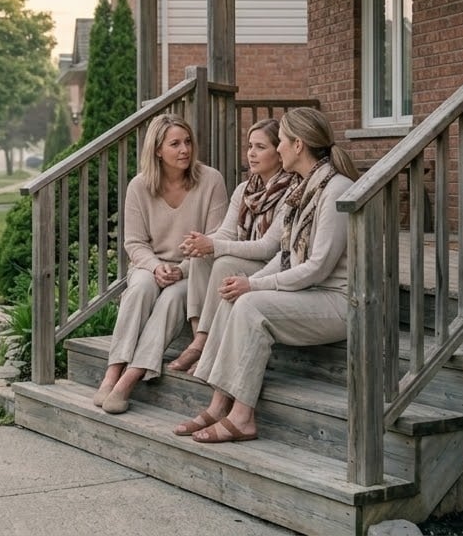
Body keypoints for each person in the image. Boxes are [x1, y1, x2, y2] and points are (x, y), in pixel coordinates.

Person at [182, 107, 360, 443]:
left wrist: (256, 284)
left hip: (339, 301)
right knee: (236, 295)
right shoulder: (305, 189)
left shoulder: (335, 190)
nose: (277, 149)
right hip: (311, 294)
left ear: (298, 145)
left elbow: (317, 267)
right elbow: (286, 256)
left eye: (280, 142)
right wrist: (246, 284)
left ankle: (242, 416)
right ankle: (219, 403)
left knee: (251, 305)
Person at [92, 114, 228, 414]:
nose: (185, 150)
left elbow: (219, 238)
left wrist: (182, 269)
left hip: (193, 273)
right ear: (157, 150)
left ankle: (130, 378)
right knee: (139, 290)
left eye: (188, 142)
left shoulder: (211, 180)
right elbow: (134, 243)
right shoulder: (140, 186)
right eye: (175, 144)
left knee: (170, 300)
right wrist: (155, 267)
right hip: (150, 267)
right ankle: (112, 372)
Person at [164, 118, 296, 385]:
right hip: (247, 260)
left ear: (279, 153)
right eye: (249, 146)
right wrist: (200, 244)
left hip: (272, 266)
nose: (251, 153)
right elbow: (225, 234)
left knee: (223, 262)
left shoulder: (292, 191)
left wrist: (214, 246)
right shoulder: (245, 189)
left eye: (260, 147)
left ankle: (206, 346)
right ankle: (200, 338)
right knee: (204, 256)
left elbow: (268, 247)